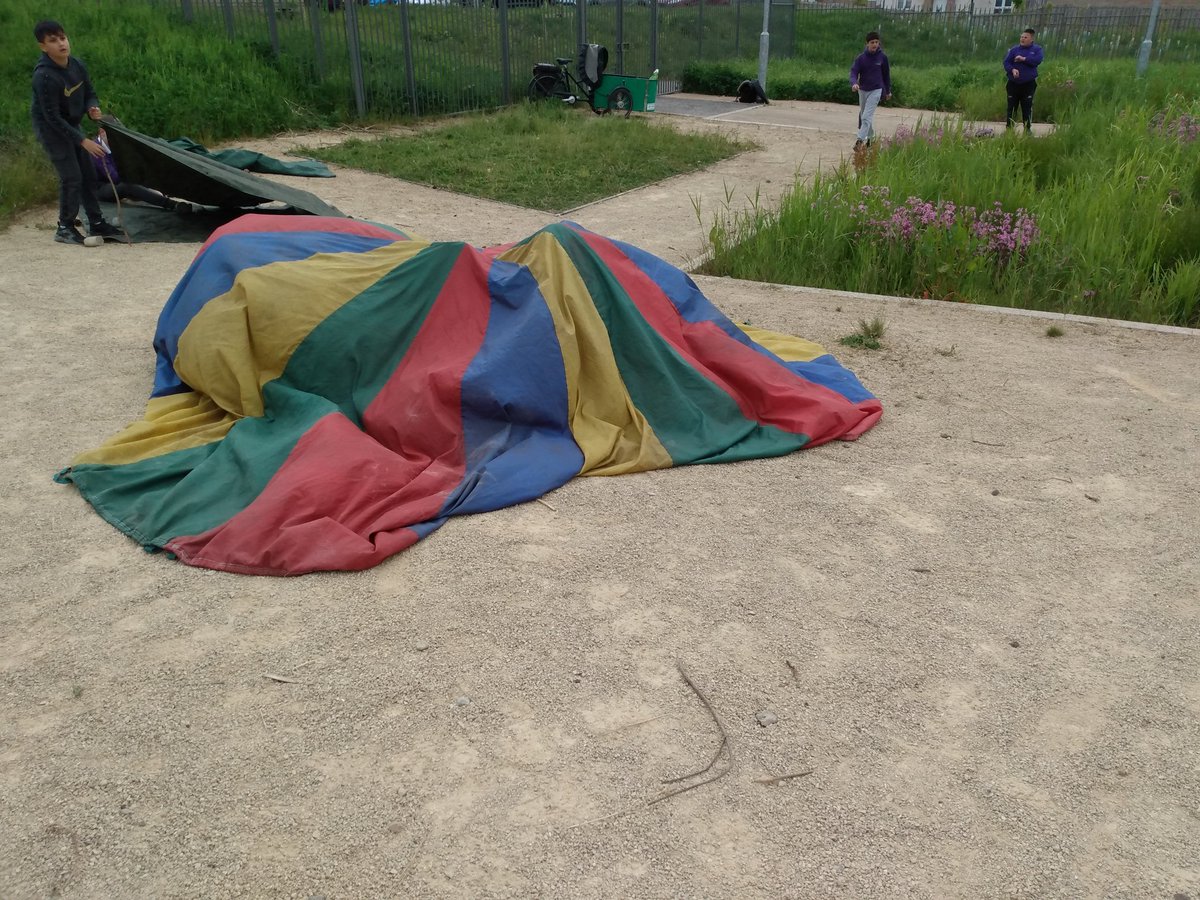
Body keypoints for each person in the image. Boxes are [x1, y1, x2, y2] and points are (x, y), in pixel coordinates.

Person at [30, 20, 122, 246]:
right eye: (53, 40)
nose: (61, 43)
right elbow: (52, 117)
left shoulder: (77, 65)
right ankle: (65, 227)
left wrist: (92, 108)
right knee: (72, 177)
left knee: (88, 175)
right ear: (43, 46)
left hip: (72, 125)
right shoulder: (44, 76)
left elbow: (90, 92)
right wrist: (82, 141)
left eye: (63, 37)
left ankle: (97, 221)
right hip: (52, 131)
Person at [91, 128, 190, 212]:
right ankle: (172, 204)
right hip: (99, 189)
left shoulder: (114, 145)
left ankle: (163, 193)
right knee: (129, 186)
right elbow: (114, 177)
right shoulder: (96, 149)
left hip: (114, 184)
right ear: (101, 132)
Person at [850, 31, 892, 151]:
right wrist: (854, 83)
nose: (875, 44)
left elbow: (886, 75)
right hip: (862, 90)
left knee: (866, 117)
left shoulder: (882, 58)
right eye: (872, 42)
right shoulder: (861, 58)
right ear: (867, 44)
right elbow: (853, 72)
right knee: (864, 116)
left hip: (876, 90)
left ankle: (859, 141)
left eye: (876, 42)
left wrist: (888, 91)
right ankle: (871, 139)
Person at [1003, 28, 1044, 133]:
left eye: (1025, 37)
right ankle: (1009, 128)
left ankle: (1027, 129)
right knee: (1011, 107)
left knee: (1027, 106)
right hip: (1013, 83)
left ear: (1031, 39)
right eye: (1021, 37)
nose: (1022, 39)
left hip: (1028, 84)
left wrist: (1024, 59)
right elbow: (1006, 62)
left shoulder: (1037, 50)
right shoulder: (1014, 50)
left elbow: (1037, 61)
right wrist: (1012, 69)